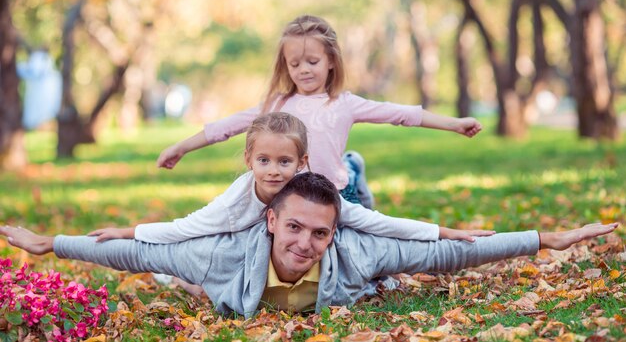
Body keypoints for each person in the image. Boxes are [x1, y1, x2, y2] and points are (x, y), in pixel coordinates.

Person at [0, 173, 618, 317]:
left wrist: (548, 240)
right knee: (180, 278)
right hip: (216, 276)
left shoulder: (353, 247)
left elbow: (447, 254)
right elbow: (134, 253)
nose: (305, 241)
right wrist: (50, 246)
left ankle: (352, 173)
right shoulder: (218, 252)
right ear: (270, 219)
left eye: (319, 232)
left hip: (366, 248)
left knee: (387, 245)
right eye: (294, 226)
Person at [86, 112, 490, 294]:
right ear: (249, 161)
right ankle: (167, 278)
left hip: (314, 225)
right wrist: (128, 231)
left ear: (302, 162)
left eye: (285, 161)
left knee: (354, 224)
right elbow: (184, 228)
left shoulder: (307, 191)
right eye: (264, 161)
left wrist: (443, 231)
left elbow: (376, 223)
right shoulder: (235, 201)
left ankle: (353, 171)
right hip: (248, 245)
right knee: (197, 273)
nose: (275, 171)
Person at [156, 15, 482, 206]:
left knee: (361, 240)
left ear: (330, 61)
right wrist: (180, 147)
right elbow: (225, 127)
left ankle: (353, 170)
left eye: (312, 62)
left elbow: (400, 114)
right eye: (294, 63)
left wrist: (454, 124)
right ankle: (353, 164)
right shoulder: (277, 106)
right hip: (292, 195)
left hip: (338, 193)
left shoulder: (345, 103)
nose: (303, 70)